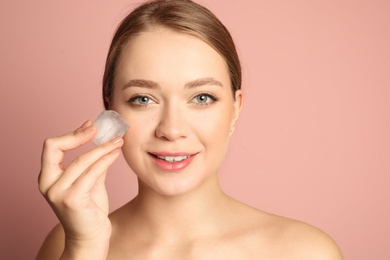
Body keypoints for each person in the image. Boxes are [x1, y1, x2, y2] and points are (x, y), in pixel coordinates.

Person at [37, 0, 343, 259]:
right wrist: (85, 247)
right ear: (110, 110)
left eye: (202, 97)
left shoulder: (304, 252)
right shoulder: (68, 245)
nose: (171, 130)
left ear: (235, 108)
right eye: (143, 99)